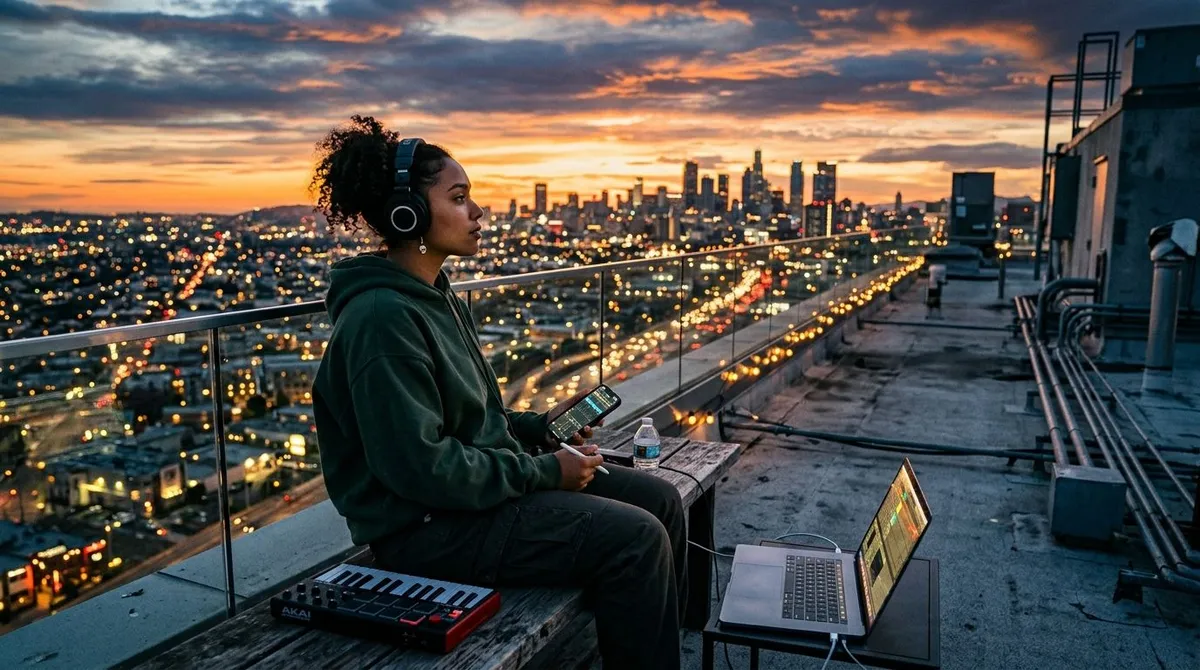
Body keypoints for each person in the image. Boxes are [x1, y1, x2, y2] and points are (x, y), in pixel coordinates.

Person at [309, 115, 686, 669]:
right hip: (428, 533)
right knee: (636, 538)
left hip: (469, 506)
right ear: (406, 213)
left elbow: (471, 418)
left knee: (662, 499)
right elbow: (420, 468)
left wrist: (536, 428)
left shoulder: (434, 297)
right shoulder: (380, 318)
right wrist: (544, 472)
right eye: (459, 198)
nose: (478, 212)